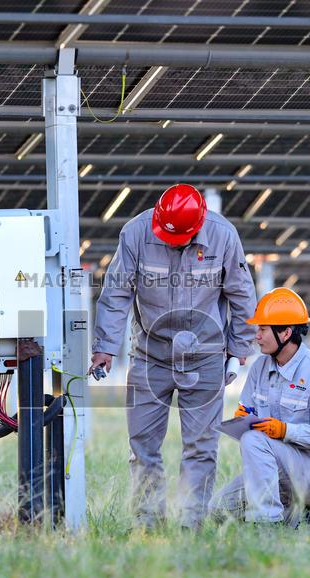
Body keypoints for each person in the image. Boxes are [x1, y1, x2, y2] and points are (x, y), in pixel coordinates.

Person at [89, 184, 257, 529]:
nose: (174, 242)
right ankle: (148, 521)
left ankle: (190, 523)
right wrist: (105, 345)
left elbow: (241, 292)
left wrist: (239, 347)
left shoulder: (223, 236)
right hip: (149, 355)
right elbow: (117, 291)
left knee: (201, 446)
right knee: (142, 446)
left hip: (206, 355)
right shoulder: (135, 234)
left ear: (199, 225)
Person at [211, 288, 310, 527]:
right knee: (219, 511)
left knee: (254, 440)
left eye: (263, 329)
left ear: (285, 332)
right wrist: (243, 418)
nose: (257, 336)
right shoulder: (258, 369)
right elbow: (250, 415)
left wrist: (285, 431)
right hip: (274, 463)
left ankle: (267, 524)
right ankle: (301, 516)